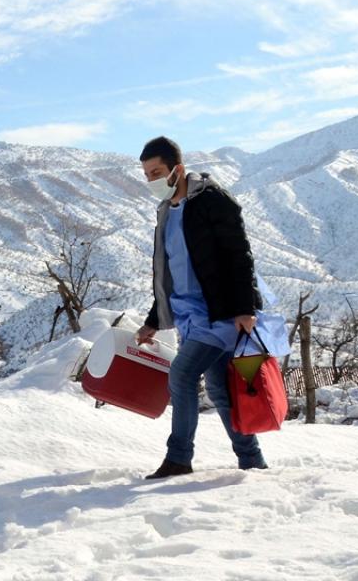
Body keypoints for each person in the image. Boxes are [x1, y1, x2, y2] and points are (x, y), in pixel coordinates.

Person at [135, 136, 268, 479]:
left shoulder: (213, 201)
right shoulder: (167, 211)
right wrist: (154, 320)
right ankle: (252, 460)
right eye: (147, 175)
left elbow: (239, 256)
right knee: (221, 389)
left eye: (157, 173)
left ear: (177, 169)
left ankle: (179, 458)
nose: (151, 180)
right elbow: (168, 273)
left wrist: (245, 308)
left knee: (182, 374)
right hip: (188, 318)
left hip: (219, 313)